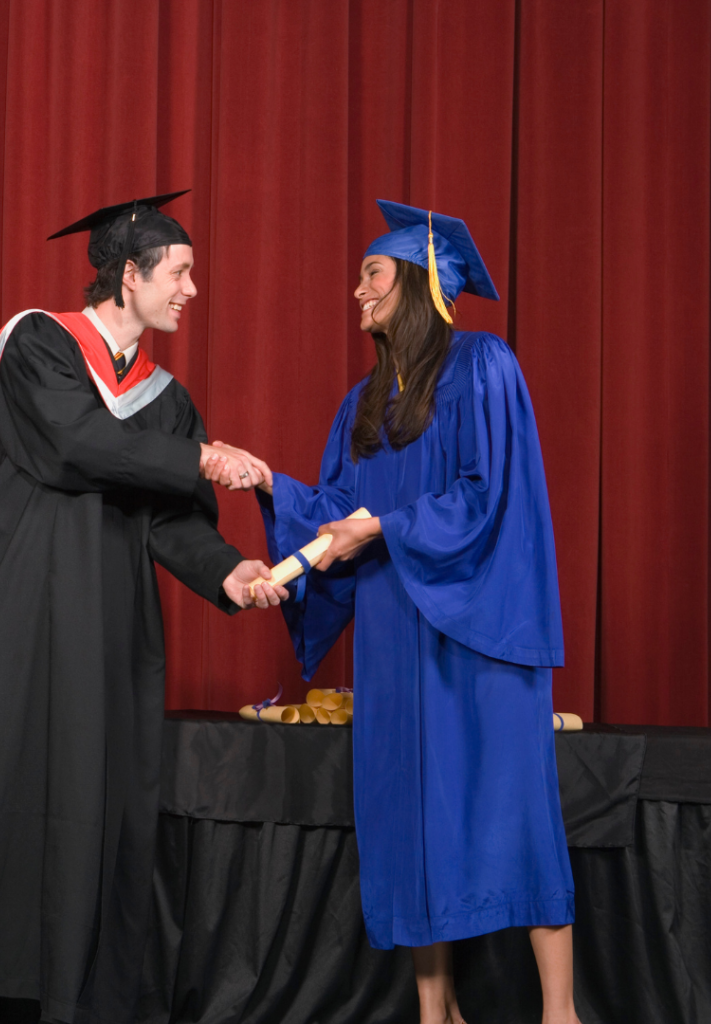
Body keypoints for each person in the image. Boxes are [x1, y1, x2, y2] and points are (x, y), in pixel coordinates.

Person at [0, 191, 288, 1024]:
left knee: (88, 798)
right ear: (130, 274)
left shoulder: (166, 399)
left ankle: (67, 991)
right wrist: (203, 457)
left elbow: (172, 520)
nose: (191, 290)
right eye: (178, 273)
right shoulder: (36, 343)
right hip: (16, 608)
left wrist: (231, 574)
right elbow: (77, 444)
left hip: (107, 626)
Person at [228, 201, 581, 1024]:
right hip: (396, 635)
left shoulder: (483, 366)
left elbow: (487, 496)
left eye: (372, 275)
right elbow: (340, 511)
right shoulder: (364, 401)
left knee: (512, 812)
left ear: (419, 283)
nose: (357, 291)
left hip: (477, 628)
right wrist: (268, 484)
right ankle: (436, 1011)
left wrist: (384, 526)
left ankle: (559, 1013)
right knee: (412, 817)